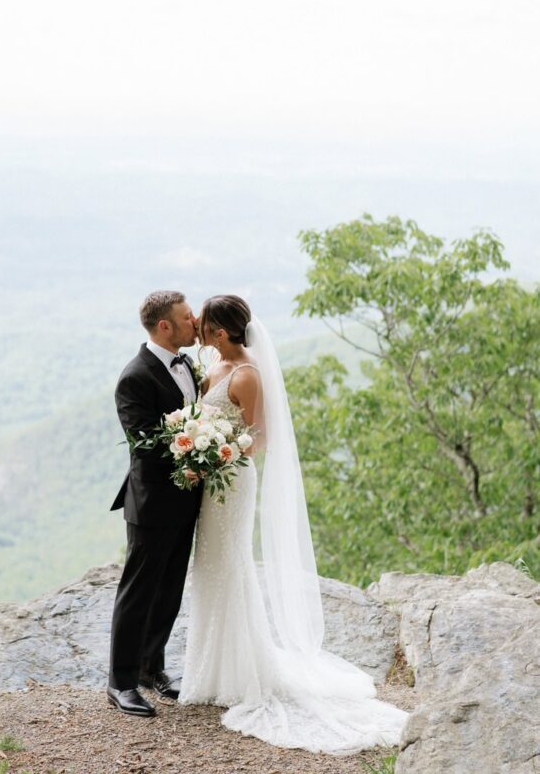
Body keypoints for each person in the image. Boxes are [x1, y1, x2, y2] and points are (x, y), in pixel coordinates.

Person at [178, 294, 410, 754]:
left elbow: (258, 436)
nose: (200, 336)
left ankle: (242, 671)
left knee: (231, 567)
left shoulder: (246, 374)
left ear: (222, 333)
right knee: (209, 568)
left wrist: (216, 453)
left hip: (231, 480)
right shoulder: (215, 366)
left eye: (205, 330)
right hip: (210, 482)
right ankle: (212, 668)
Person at [107, 290, 203, 717]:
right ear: (164, 326)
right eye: (187, 317)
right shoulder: (135, 377)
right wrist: (200, 447)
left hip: (188, 497)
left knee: (169, 589)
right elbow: (144, 444)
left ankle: (152, 668)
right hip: (151, 503)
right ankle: (121, 682)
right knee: (138, 592)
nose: (195, 321)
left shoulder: (189, 366)